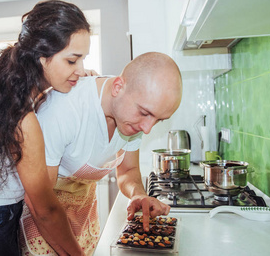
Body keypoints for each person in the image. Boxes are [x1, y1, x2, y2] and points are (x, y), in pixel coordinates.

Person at [0, 0, 92, 256]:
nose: (81, 70)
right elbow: (45, 210)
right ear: (41, 57)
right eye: (72, 61)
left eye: (82, 60)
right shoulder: (21, 118)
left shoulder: (12, 91)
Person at [20, 52, 183, 255]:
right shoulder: (63, 109)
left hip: (84, 217)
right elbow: (41, 205)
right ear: (117, 88)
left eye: (158, 119)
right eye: (145, 113)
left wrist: (138, 194)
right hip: (44, 221)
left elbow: (129, 171)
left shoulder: (132, 119)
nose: (147, 128)